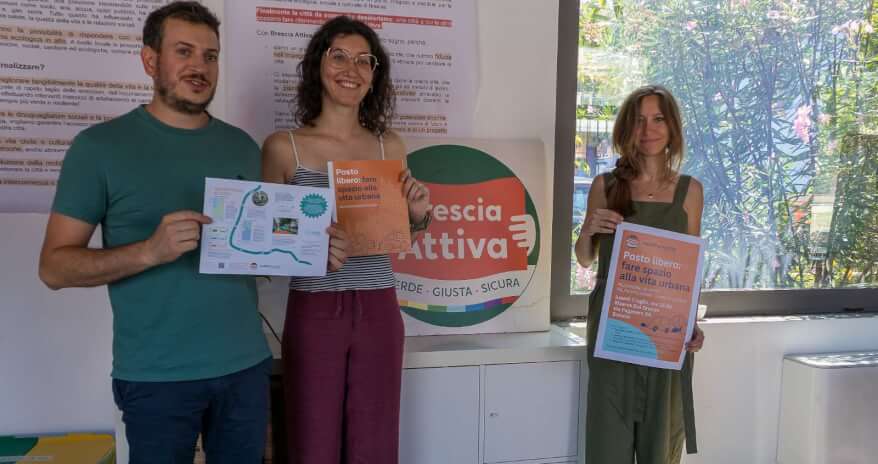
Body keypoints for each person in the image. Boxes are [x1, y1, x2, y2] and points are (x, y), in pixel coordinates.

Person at [38, 2, 347, 462]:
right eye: (183, 51)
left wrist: (315, 248)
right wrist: (149, 251)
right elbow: (53, 267)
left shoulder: (241, 146)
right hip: (156, 378)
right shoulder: (99, 148)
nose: (199, 66)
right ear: (150, 60)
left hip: (245, 366)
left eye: (210, 55)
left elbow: (265, 245)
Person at [261, 15, 431, 464]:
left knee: (375, 442)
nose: (350, 69)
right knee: (312, 440)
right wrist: (311, 251)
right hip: (315, 308)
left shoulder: (389, 146)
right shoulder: (283, 147)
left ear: (374, 76)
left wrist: (418, 216)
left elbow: (399, 236)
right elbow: (266, 245)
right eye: (338, 56)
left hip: (379, 307)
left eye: (363, 60)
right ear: (318, 64)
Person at [574, 84, 705, 463]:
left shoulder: (690, 191)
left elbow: (689, 268)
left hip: (665, 331)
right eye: (639, 120)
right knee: (607, 442)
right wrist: (588, 230)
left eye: (658, 119)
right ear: (626, 129)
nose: (648, 130)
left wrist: (692, 323)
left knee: (659, 444)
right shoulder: (605, 185)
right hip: (613, 329)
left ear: (672, 127)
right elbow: (585, 259)